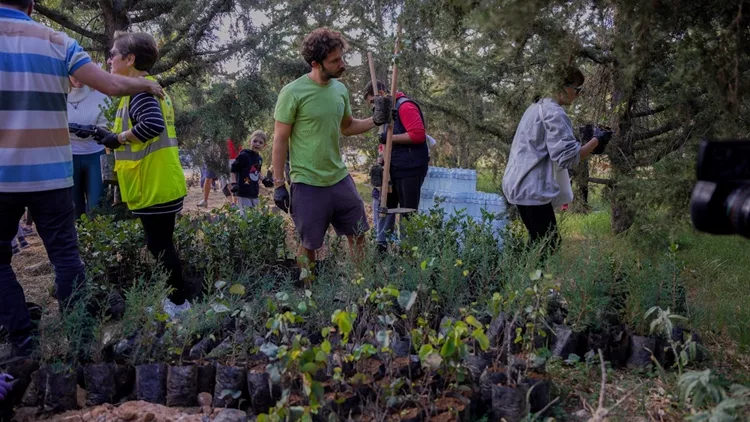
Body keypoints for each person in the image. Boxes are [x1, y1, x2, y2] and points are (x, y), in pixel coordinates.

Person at [0, 0, 164, 360]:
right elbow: (109, 84)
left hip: (1, 178)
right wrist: (147, 86)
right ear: (30, 4)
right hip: (52, 173)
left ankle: (22, 342)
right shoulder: (57, 41)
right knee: (65, 256)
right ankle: (80, 341)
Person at [272, 27, 388, 270]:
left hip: (339, 177)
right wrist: (279, 185)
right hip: (307, 181)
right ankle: (308, 294)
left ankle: (361, 288)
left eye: (341, 57)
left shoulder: (340, 90)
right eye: (335, 61)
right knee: (310, 244)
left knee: (358, 233)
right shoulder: (293, 92)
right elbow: (280, 139)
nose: (342, 64)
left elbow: (347, 126)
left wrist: (375, 120)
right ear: (316, 63)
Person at [92, 31, 189, 317]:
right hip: (159, 181)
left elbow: (152, 126)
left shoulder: (139, 91)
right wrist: (114, 137)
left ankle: (179, 304)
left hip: (155, 183)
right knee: (160, 245)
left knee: (160, 246)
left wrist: (117, 138)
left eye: (113, 53)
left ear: (130, 59)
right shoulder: (142, 89)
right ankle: (175, 300)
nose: (109, 59)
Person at [502, 66, 612, 255]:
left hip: (522, 185)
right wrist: (598, 140)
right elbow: (568, 158)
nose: (578, 95)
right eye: (577, 89)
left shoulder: (537, 107)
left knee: (541, 243)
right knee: (547, 245)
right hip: (531, 188)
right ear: (562, 86)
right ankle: (523, 281)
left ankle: (523, 280)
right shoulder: (554, 112)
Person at [364, 80, 429, 251]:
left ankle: (409, 252)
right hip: (393, 168)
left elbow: (418, 135)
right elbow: (383, 141)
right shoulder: (385, 113)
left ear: (383, 93)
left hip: (410, 168)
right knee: (385, 207)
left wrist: (390, 138)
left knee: (408, 213)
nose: (373, 106)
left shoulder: (404, 107)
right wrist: (380, 160)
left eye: (373, 101)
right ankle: (383, 247)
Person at [68, 76, 110, 218]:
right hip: (68, 157)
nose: (79, 78)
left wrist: (94, 130)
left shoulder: (100, 97)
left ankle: (97, 238)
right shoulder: (56, 97)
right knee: (72, 207)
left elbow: (108, 126)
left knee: (97, 206)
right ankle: (76, 239)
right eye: (74, 74)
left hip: (95, 155)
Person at [230, 130, 273, 215]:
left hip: (254, 191)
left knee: (255, 215)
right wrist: (234, 183)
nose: (257, 144)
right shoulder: (244, 156)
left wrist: (264, 179)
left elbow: (257, 172)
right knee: (246, 216)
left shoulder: (259, 159)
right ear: (250, 141)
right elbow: (233, 169)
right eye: (255, 141)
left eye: (260, 142)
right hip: (243, 191)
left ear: (264, 146)